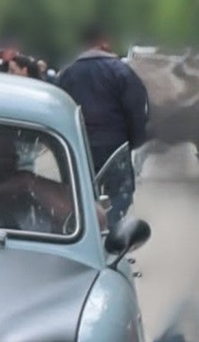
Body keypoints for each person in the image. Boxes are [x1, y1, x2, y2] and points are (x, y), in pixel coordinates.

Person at [57, 24, 149, 227]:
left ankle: (84, 229)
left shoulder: (67, 74)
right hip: (114, 147)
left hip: (78, 147)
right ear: (103, 42)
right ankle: (111, 231)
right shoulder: (122, 72)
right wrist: (134, 141)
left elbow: (58, 109)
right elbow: (136, 109)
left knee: (79, 195)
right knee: (120, 194)